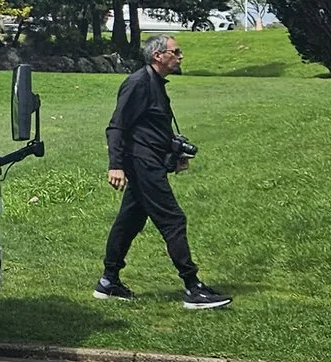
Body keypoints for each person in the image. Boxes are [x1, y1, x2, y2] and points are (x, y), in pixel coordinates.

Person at [98, 33, 231, 308]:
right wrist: (116, 165)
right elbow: (117, 126)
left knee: (129, 221)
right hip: (141, 163)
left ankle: (108, 282)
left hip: (149, 161)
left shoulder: (155, 83)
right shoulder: (138, 83)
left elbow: (151, 128)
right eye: (176, 51)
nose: (181, 56)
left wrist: (174, 152)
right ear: (158, 56)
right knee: (173, 220)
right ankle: (193, 288)